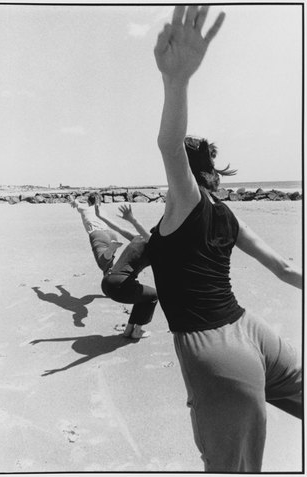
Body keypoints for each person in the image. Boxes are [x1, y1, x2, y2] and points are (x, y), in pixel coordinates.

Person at [146, 5, 302, 472]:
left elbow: (170, 146)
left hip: (216, 351)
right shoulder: (226, 216)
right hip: (254, 331)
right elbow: (285, 268)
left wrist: (177, 82)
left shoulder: (185, 202)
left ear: (188, 179)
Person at [95, 201, 158, 340]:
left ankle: (128, 330)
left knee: (142, 295)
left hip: (107, 281)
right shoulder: (154, 244)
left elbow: (117, 228)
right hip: (120, 285)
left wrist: (100, 216)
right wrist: (132, 219)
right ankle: (137, 332)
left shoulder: (137, 238)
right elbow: (150, 238)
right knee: (153, 296)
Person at [69, 193, 124, 275]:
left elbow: (74, 202)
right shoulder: (102, 211)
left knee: (103, 263)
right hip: (111, 233)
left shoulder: (84, 208)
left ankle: (110, 249)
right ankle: (108, 283)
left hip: (98, 234)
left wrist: (72, 198)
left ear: (88, 202)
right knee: (108, 266)